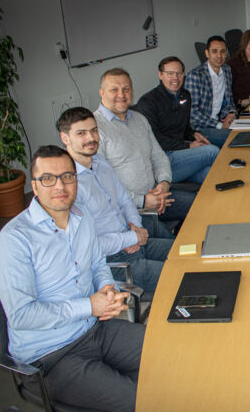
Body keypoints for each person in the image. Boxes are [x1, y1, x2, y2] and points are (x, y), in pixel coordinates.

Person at [0, 145, 144, 412]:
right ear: (34, 186)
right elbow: (22, 315)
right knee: (141, 402)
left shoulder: (82, 216)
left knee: (167, 359)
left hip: (95, 330)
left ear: (76, 179)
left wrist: (106, 288)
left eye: (67, 177)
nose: (59, 185)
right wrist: (89, 306)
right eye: (48, 178)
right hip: (51, 357)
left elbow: (98, 264)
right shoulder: (14, 241)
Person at [58, 107, 174, 293]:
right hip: (112, 262)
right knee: (181, 276)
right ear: (65, 138)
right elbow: (88, 245)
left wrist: (135, 227)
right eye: (81, 133)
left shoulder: (101, 163)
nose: (91, 138)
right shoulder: (66, 186)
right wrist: (130, 237)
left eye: (94, 130)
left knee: (188, 253)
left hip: (134, 239)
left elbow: (125, 200)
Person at [94, 67, 195, 224]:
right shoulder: (94, 129)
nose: (121, 95)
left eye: (126, 89)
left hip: (158, 195)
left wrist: (164, 183)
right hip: (129, 210)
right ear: (102, 93)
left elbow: (158, 156)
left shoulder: (139, 119)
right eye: (114, 90)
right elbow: (101, 183)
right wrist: (142, 201)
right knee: (171, 245)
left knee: (202, 206)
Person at [133, 56, 219, 185]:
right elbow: (154, 141)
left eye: (179, 73)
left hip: (180, 155)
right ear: (160, 75)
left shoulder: (185, 95)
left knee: (211, 174)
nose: (175, 78)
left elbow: (185, 128)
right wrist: (188, 146)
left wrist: (194, 134)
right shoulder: (148, 102)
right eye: (170, 73)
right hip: (163, 161)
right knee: (212, 151)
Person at [185, 35, 236, 148]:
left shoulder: (227, 70)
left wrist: (231, 114)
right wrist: (219, 125)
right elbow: (192, 113)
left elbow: (229, 101)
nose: (219, 55)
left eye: (222, 51)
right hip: (200, 128)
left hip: (220, 122)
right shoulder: (195, 76)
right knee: (235, 138)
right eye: (214, 51)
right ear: (207, 53)